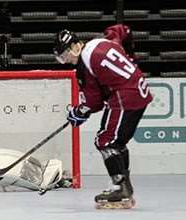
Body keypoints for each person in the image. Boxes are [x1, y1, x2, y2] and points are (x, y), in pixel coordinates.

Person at [53, 24, 153, 209]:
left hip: (126, 95)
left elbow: (93, 102)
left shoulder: (83, 66)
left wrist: (78, 113)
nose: (65, 60)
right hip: (139, 90)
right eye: (61, 58)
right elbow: (122, 30)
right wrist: (131, 57)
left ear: (76, 46)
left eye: (64, 54)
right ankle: (124, 185)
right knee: (117, 142)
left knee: (106, 141)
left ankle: (120, 186)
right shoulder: (102, 41)